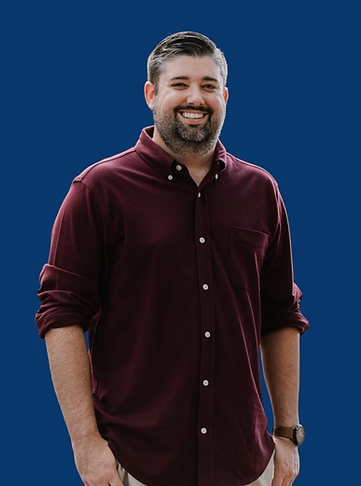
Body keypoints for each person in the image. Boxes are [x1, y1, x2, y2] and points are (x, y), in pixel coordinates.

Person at [36, 31, 309, 486]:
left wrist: (286, 433)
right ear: (151, 94)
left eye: (208, 85)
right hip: (135, 465)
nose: (195, 98)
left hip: (245, 464)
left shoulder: (262, 192)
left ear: (224, 96)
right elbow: (61, 314)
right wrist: (85, 444)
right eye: (179, 84)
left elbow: (280, 313)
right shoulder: (98, 191)